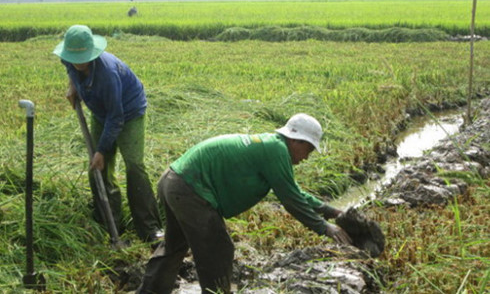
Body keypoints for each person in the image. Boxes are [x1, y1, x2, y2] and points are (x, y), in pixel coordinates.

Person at [137, 113, 352, 294]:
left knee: (175, 246)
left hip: (174, 180)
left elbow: (295, 192)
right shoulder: (276, 150)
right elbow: (291, 200)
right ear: (297, 141)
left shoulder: (272, 146)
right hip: (189, 188)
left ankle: (150, 291)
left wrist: (330, 211)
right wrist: (324, 227)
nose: (307, 157)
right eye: (309, 150)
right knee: (218, 248)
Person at [53, 25, 163, 243]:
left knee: (134, 166)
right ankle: (110, 225)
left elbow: (117, 117)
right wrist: (73, 86)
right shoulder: (68, 59)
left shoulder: (107, 73)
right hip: (101, 112)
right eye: (73, 57)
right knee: (97, 168)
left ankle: (149, 228)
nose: (77, 62)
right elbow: (70, 70)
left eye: (82, 57)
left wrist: (102, 150)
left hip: (128, 113)